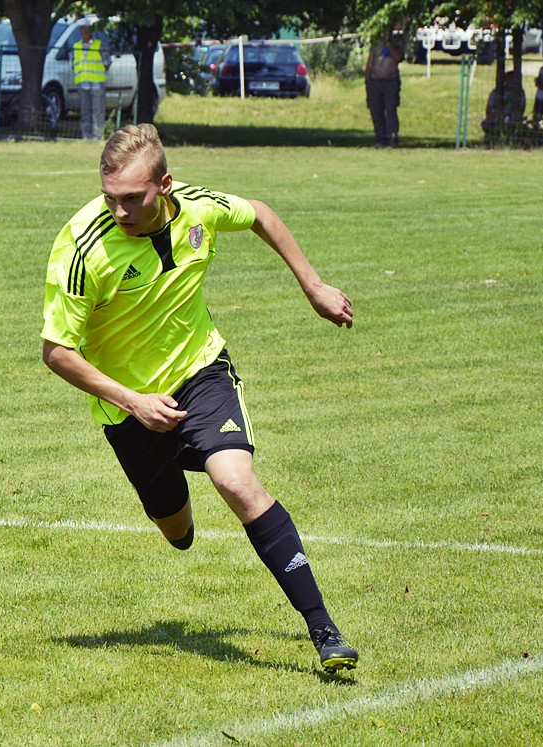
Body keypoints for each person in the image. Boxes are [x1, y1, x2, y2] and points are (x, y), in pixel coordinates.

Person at [41, 124, 359, 673]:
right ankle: (176, 486)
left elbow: (259, 212)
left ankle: (325, 632)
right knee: (177, 532)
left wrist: (313, 285)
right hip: (128, 406)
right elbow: (57, 352)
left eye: (133, 199)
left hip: (200, 372)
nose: (119, 211)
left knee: (237, 481)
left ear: (165, 185)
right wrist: (134, 400)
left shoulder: (197, 207)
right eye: (109, 197)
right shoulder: (81, 246)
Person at [364, 27, 403, 148]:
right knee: (376, 110)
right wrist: (367, 79)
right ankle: (381, 139)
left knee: (390, 109)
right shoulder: (375, 45)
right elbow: (371, 61)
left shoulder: (397, 43)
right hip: (375, 81)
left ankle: (392, 137)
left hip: (390, 82)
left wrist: (389, 45)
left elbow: (398, 58)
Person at [72, 18, 110, 141]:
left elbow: (107, 63)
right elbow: (74, 64)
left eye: (86, 29)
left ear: (91, 31)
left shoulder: (99, 45)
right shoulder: (76, 46)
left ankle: (97, 137)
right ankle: (86, 137)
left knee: (97, 113)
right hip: (83, 84)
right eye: (82, 29)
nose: (84, 32)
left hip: (97, 84)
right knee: (85, 113)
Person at [482, 69, 526, 143]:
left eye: (513, 80)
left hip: (511, 116)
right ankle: (491, 138)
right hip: (497, 116)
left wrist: (515, 116)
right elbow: (488, 108)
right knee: (485, 123)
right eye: (509, 79)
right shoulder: (495, 92)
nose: (510, 82)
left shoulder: (520, 93)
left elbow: (522, 108)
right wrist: (492, 116)